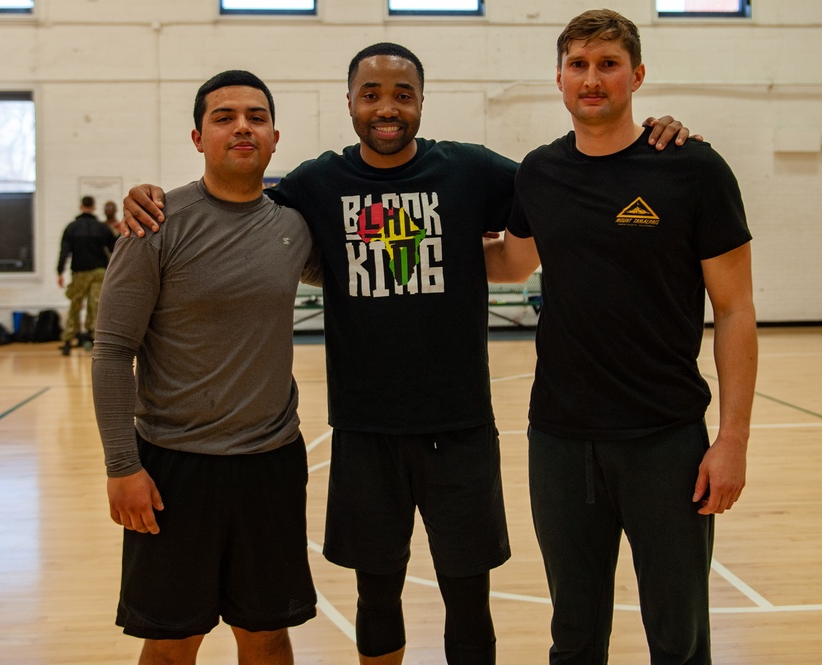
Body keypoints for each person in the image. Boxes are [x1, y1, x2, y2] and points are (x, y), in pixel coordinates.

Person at [122, 43, 693, 665]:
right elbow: (238, 201)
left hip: (461, 425)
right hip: (367, 429)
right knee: (377, 593)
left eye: (402, 94)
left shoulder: (470, 171)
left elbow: (567, 174)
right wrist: (153, 197)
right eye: (371, 95)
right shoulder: (318, 183)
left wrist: (645, 138)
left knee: (468, 595)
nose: (386, 108)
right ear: (349, 103)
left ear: (422, 101)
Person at [484, 10, 757, 664]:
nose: (592, 78)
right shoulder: (539, 172)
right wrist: (419, 247)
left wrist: (732, 441)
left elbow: (736, 308)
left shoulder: (692, 168)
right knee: (574, 633)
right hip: (558, 438)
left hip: (664, 438)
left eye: (607, 64)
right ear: (558, 77)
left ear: (636, 75)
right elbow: (513, 262)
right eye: (577, 64)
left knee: (678, 632)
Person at [91, 70, 320, 665]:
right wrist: (122, 465)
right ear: (198, 137)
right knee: (171, 640)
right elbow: (114, 351)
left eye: (256, 117)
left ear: (273, 138)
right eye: (224, 117)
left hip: (269, 465)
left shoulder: (296, 227)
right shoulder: (154, 224)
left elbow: (370, 260)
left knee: (267, 635)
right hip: (172, 471)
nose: (242, 126)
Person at [56, 195, 116, 355]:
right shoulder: (102, 228)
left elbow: (64, 252)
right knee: (95, 305)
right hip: (99, 271)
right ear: (94, 207)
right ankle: (94, 338)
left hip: (80, 272)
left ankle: (68, 340)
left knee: (75, 305)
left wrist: (59, 271)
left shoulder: (72, 228)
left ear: (81, 207)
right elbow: (115, 249)